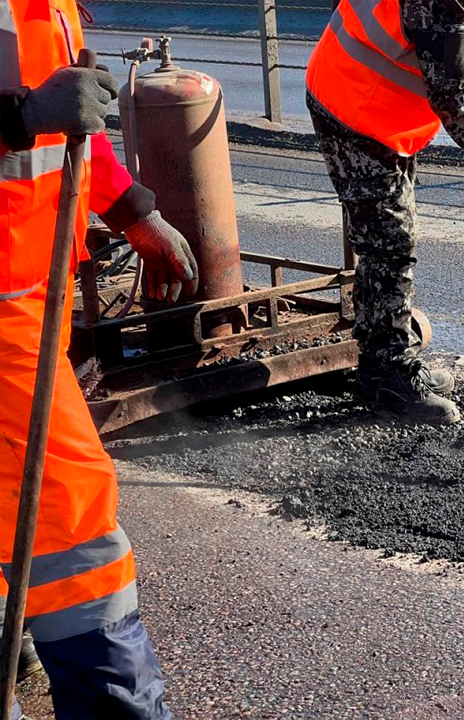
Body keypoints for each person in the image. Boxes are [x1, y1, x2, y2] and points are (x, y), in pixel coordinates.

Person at [0, 0, 198, 716]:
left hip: (27, 292)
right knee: (69, 518)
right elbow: (33, 121)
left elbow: (68, 134)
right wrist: (14, 119)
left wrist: (129, 208)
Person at [306, 0, 464, 425]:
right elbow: (450, 89)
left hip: (370, 102)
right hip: (355, 107)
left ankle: (377, 366)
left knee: (383, 241)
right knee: (391, 242)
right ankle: (391, 377)